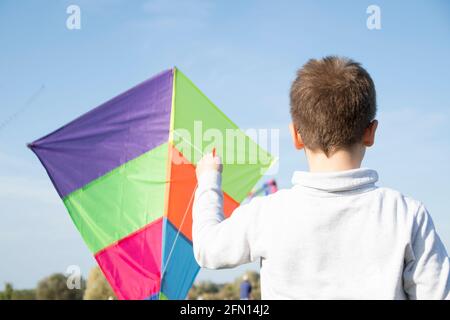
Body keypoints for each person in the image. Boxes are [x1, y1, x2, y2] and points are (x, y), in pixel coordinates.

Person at [192, 56, 450, 299]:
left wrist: (208, 180)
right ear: (371, 133)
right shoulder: (406, 215)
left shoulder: (268, 214)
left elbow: (207, 249)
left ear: (296, 135)